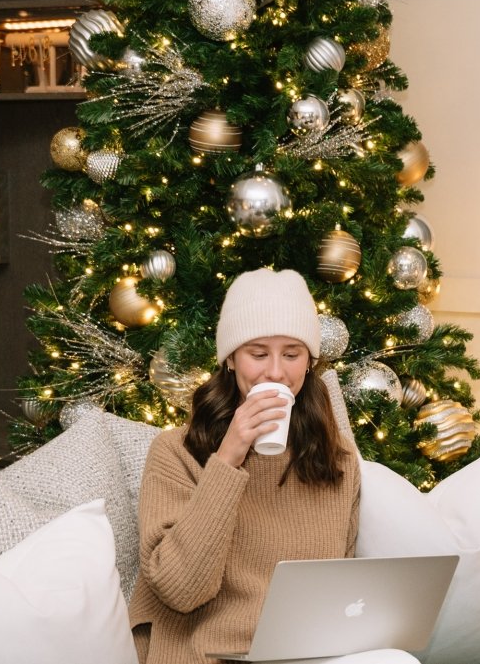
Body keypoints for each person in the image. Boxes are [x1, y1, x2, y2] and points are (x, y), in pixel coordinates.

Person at [129, 269, 413, 664]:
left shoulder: (338, 459)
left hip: (306, 654)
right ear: (230, 359)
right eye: (258, 354)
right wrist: (228, 458)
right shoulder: (175, 452)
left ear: (310, 363)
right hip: (209, 653)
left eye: (292, 354)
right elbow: (180, 590)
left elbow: (340, 596)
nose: (276, 372)